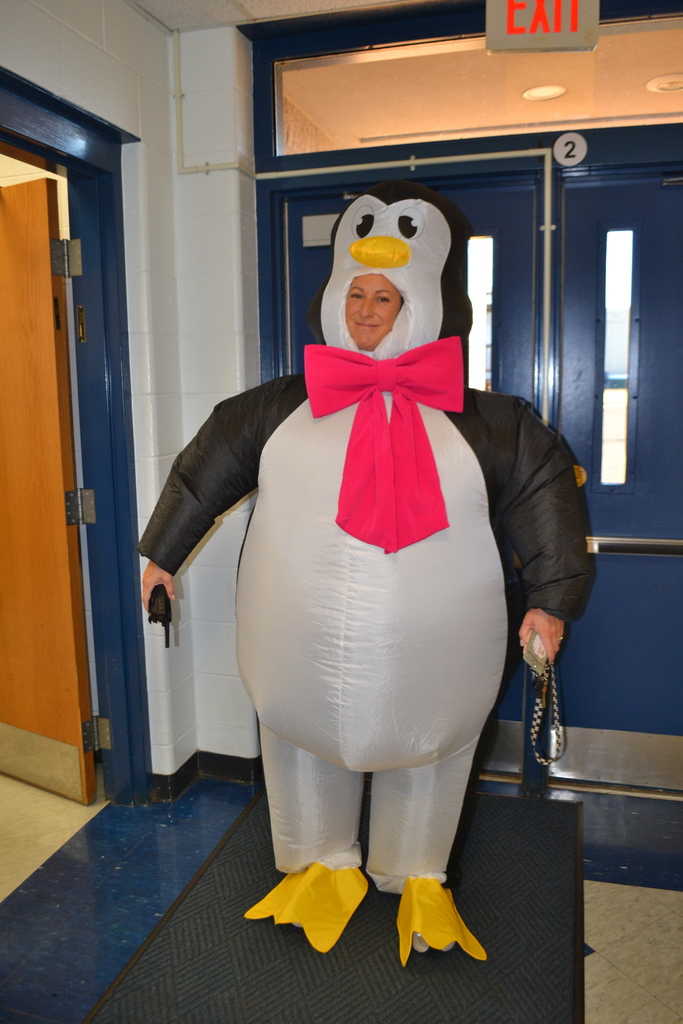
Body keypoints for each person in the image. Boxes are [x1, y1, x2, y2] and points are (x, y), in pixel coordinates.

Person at [140, 180, 589, 966]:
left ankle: (414, 872)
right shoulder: (276, 408)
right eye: (356, 293)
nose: (366, 310)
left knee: (432, 744)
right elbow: (203, 469)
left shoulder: (489, 422)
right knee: (298, 738)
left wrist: (550, 602)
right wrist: (161, 555)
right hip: (296, 642)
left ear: (422, 301)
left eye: (386, 296)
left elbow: (545, 496)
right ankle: (318, 862)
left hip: (436, 648)